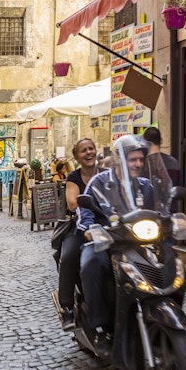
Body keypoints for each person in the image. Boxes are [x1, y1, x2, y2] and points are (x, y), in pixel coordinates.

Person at [77, 135, 156, 355]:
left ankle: (162, 307)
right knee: (91, 263)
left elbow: (161, 211)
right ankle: (100, 327)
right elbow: (84, 212)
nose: (138, 164)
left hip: (139, 243)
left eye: (141, 159)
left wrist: (171, 220)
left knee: (169, 260)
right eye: (133, 159)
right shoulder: (100, 182)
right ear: (119, 160)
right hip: (107, 242)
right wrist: (92, 230)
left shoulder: (145, 186)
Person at [57, 138, 102, 331]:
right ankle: (67, 308)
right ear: (77, 157)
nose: (89, 152)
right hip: (81, 228)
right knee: (68, 258)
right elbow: (73, 203)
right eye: (84, 151)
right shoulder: (74, 178)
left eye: (91, 148)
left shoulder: (106, 174)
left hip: (106, 227)